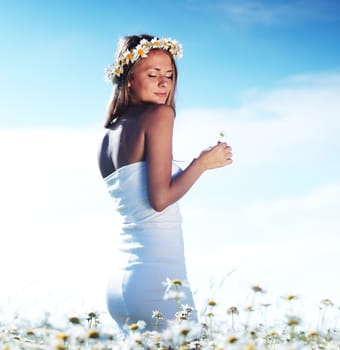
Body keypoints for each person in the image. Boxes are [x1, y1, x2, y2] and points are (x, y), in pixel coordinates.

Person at [98, 34, 232, 331]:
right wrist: (202, 164)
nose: (164, 83)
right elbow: (159, 199)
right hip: (157, 280)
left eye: (169, 75)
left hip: (121, 285)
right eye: (153, 74)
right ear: (129, 79)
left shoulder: (109, 134)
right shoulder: (160, 115)